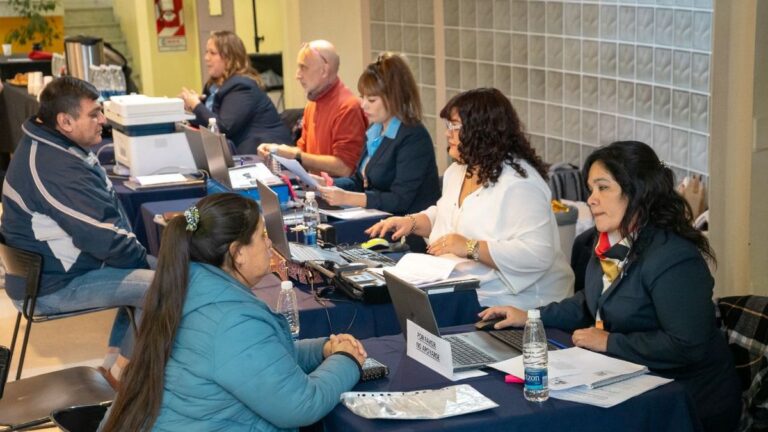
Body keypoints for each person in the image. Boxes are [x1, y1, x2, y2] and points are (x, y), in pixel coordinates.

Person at [479, 141, 741, 431]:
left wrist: (608, 342)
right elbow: (590, 302)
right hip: (634, 379)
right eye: (591, 189)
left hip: (686, 402)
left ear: (638, 192)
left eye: (603, 188)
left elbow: (687, 345)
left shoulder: (674, 258)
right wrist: (529, 316)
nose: (591, 199)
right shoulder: (604, 241)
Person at [101, 193, 367, 431]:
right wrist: (347, 359)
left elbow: (253, 362)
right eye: (262, 234)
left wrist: (322, 350)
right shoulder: (231, 319)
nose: (269, 242)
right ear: (237, 253)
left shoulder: (186, 288)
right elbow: (302, 405)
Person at [0, 76, 152, 383]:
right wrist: (144, 258)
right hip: (51, 286)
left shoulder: (51, 146)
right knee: (162, 287)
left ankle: (111, 367)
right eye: (94, 114)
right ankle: (123, 380)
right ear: (65, 122)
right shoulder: (53, 165)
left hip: (52, 272)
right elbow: (106, 240)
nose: (103, 120)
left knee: (164, 274)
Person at [367, 88, 574, 309]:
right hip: (473, 287)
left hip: (524, 302)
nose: (448, 134)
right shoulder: (458, 171)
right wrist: (412, 222)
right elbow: (447, 215)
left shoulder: (520, 184)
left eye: (455, 127)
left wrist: (470, 247)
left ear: (483, 131)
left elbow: (537, 254)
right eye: (449, 126)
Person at [317, 53, 440, 240]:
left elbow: (400, 200)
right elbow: (360, 181)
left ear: (394, 99)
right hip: (379, 223)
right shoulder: (376, 130)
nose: (363, 105)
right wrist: (326, 184)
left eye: (372, 100)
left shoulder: (414, 137)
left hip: (408, 234)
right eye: (363, 97)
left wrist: (347, 198)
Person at [257, 40, 366, 176]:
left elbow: (345, 167)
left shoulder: (348, 107)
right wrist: (277, 152)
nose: (297, 75)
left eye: (303, 67)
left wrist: (294, 155)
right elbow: (302, 153)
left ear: (324, 71)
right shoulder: (312, 104)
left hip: (336, 193)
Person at [179, 30, 290, 154]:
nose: (206, 58)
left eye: (212, 53)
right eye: (206, 52)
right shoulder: (212, 86)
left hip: (264, 153)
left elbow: (223, 127)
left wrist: (197, 106)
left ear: (229, 58)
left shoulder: (242, 86)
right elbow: (208, 124)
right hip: (236, 152)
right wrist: (190, 110)